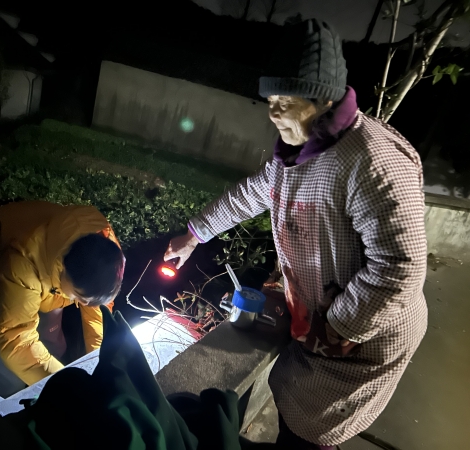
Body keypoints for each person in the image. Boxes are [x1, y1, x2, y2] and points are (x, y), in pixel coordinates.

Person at [164, 19, 427, 449]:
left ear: (324, 99)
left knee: (313, 429)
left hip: (363, 337)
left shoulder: (371, 160)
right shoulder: (298, 150)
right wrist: (195, 234)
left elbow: (401, 266)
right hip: (322, 322)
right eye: (270, 99)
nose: (273, 111)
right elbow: (254, 192)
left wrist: (336, 329)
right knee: (295, 407)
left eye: (285, 100)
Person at [0, 201, 125, 396]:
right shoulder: (23, 261)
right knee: (10, 378)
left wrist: (98, 361)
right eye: (79, 297)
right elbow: (16, 340)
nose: (84, 305)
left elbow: (97, 312)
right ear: (63, 269)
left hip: (49, 286)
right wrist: (70, 388)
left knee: (54, 348)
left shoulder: (105, 247)